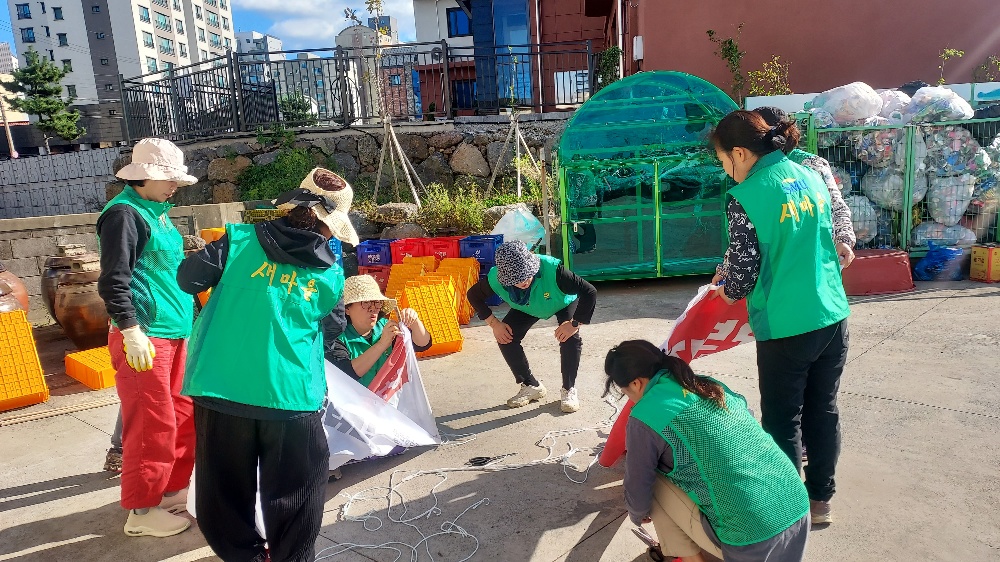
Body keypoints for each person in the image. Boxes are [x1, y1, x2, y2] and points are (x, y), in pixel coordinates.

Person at [176, 168, 356, 562]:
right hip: (289, 396)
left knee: (222, 497)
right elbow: (333, 327)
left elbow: (188, 279)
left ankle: (249, 558)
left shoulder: (236, 241)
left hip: (220, 388)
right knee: (296, 497)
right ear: (330, 227)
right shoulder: (329, 271)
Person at [709, 110, 851, 525]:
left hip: (787, 325)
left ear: (740, 153)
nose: (726, 171)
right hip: (832, 314)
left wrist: (726, 289)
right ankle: (820, 500)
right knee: (823, 409)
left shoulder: (747, 195)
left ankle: (788, 512)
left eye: (723, 161)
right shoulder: (810, 174)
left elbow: (744, 273)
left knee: (782, 418)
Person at [605, 341, 810, 562]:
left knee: (654, 480)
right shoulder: (705, 384)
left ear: (636, 383)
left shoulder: (645, 414)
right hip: (797, 511)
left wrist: (637, 515)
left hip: (752, 537)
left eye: (625, 392)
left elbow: (637, 486)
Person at [96, 137, 198, 537]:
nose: (175, 186)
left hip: (176, 331)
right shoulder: (124, 214)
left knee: (183, 417)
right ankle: (140, 512)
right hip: (145, 336)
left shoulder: (157, 211)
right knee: (151, 424)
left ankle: (170, 492)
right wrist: (130, 330)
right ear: (147, 177)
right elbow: (113, 280)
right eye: (169, 179)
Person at [467, 240, 597, 413]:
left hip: (561, 301)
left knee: (570, 337)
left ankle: (569, 389)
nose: (524, 281)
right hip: (527, 306)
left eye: (527, 274)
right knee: (506, 337)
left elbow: (589, 291)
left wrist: (574, 324)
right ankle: (531, 386)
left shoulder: (553, 269)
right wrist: (494, 323)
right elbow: (473, 295)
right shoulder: (495, 279)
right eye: (517, 279)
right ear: (505, 278)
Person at [329, 274, 432, 387]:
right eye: (366, 302)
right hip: (354, 401)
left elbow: (423, 344)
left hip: (386, 399)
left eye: (377, 302)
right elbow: (346, 372)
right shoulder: (337, 338)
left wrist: (415, 322)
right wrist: (382, 344)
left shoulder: (386, 327)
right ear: (347, 309)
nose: (373, 308)